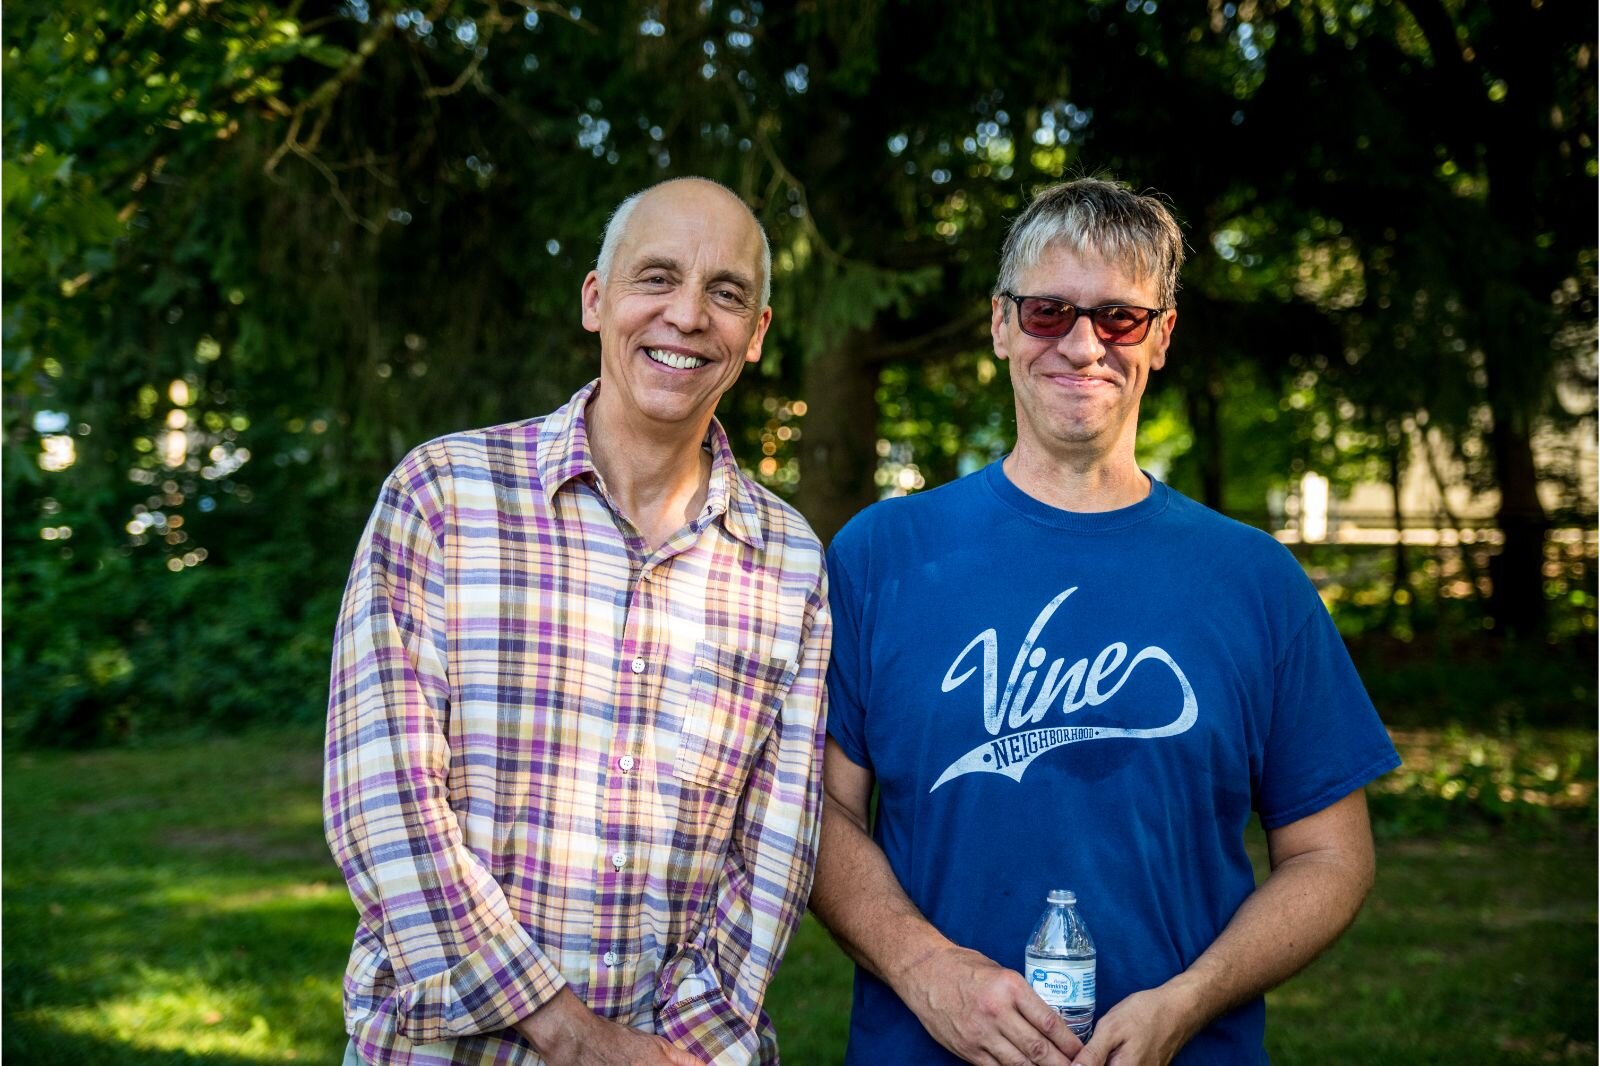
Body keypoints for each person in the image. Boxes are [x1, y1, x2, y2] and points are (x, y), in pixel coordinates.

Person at [809, 177, 1401, 1066]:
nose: (1083, 345)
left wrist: (1188, 1001)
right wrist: (926, 967)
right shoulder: (879, 557)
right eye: (1048, 312)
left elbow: (1330, 855)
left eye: (1119, 318)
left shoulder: (1254, 579)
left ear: (1160, 337)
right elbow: (818, 813)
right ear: (1002, 324)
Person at [324, 177, 831, 1066]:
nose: (686, 315)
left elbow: (777, 838)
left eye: (726, 293)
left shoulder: (787, 559)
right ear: (596, 300)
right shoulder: (444, 496)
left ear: (756, 335)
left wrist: (680, 1047)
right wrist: (574, 1036)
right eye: (656, 278)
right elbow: (384, 803)